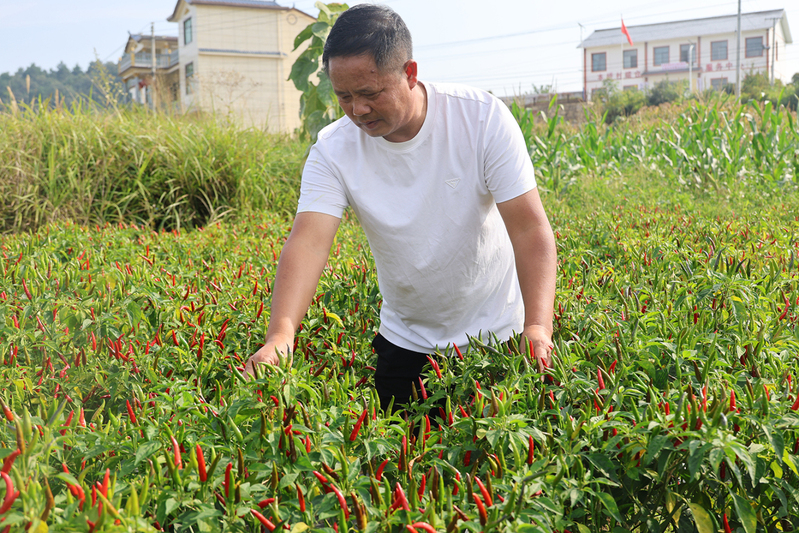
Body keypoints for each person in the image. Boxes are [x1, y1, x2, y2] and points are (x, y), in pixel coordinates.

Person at [245, 4, 557, 412]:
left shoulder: (480, 119)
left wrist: (536, 325)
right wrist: (280, 335)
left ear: (409, 73)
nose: (357, 109)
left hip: (495, 336)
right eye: (344, 96)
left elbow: (529, 229)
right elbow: (308, 243)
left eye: (371, 94)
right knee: (400, 465)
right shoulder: (333, 150)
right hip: (405, 340)